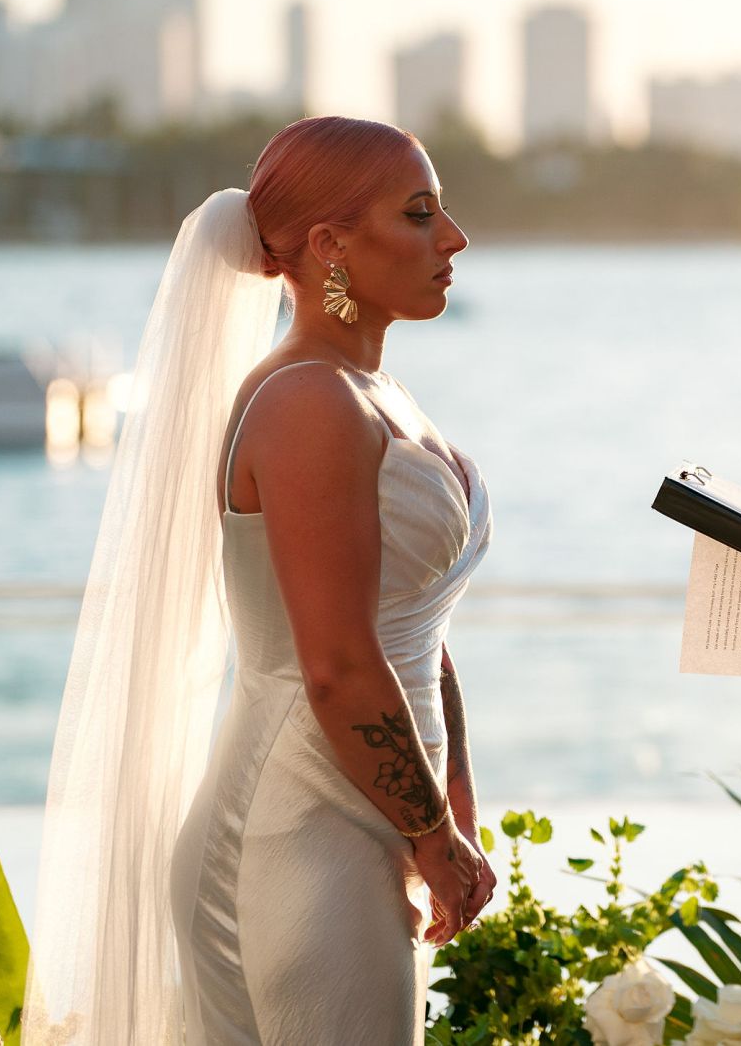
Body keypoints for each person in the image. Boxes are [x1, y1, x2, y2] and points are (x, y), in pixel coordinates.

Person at [24, 116, 495, 1045]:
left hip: (373, 810)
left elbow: (417, 628)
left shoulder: (372, 390)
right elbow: (336, 665)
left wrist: (453, 804)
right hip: (298, 827)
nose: (454, 239)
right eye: (419, 213)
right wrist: (432, 833)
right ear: (329, 245)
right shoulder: (309, 401)